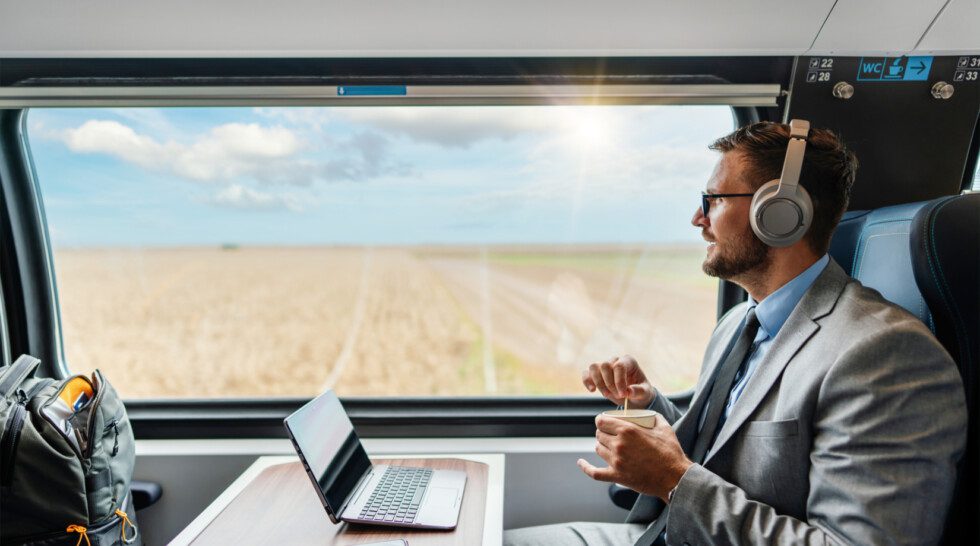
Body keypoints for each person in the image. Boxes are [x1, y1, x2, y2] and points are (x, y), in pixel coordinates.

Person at [503, 121, 967, 545]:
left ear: (781, 213)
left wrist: (672, 480)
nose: (697, 219)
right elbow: (723, 450)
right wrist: (649, 407)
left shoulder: (885, 355)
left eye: (714, 200)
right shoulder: (739, 324)